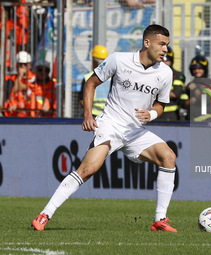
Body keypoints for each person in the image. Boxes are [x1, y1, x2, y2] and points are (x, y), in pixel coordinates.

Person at [31, 24, 177, 233]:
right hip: (110, 124)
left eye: (167, 45)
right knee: (88, 169)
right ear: (147, 42)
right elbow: (91, 83)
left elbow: (161, 105)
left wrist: (152, 114)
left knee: (168, 157)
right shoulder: (119, 59)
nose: (165, 49)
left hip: (135, 131)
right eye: (161, 44)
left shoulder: (165, 73)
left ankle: (159, 220)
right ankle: (45, 214)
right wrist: (88, 115)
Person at [79, 45, 109, 117]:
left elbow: (82, 101)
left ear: (94, 60)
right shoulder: (112, 77)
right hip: (109, 116)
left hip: (93, 116)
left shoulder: (88, 77)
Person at [184, 55, 211, 122]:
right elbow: (182, 102)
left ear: (205, 69)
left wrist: (195, 89)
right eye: (194, 69)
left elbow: (204, 100)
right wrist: (192, 101)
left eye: (199, 69)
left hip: (206, 122)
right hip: (190, 121)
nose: (196, 71)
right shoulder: (190, 84)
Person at [157, 46, 186, 121]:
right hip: (154, 113)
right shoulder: (153, 73)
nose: (165, 63)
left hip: (171, 115)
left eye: (167, 61)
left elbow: (175, 94)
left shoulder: (177, 75)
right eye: (162, 60)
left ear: (171, 61)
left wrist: (155, 90)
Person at [4, 51, 36, 117]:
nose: (22, 66)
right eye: (20, 64)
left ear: (29, 65)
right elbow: (14, 89)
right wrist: (20, 76)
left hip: (30, 116)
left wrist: (24, 86)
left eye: (25, 64)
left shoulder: (34, 78)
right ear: (16, 65)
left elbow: (32, 90)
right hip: (14, 116)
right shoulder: (11, 78)